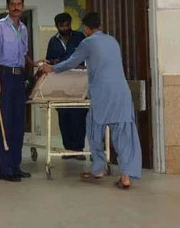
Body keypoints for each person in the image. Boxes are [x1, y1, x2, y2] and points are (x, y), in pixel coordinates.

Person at [39, 12, 141, 190]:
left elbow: (71, 62)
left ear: (86, 28)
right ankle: (126, 176)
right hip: (122, 92)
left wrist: (51, 68)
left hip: (102, 92)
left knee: (94, 129)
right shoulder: (112, 40)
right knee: (124, 133)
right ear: (99, 25)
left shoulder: (87, 42)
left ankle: (98, 169)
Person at [0, 0, 34, 182]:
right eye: (12, 5)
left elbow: (24, 55)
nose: (16, 7)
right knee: (3, 124)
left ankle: (16, 166)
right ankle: (5, 169)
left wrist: (35, 65)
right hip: (5, 76)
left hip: (19, 79)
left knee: (18, 124)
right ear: (7, 7)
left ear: (23, 7)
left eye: (19, 4)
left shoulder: (23, 28)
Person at [45, 12, 88, 160]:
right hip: (60, 83)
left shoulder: (79, 37)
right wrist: (54, 62)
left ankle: (78, 149)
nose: (64, 28)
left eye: (67, 25)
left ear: (71, 24)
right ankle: (68, 149)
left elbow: (85, 57)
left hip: (78, 82)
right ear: (57, 26)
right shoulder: (53, 41)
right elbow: (48, 60)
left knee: (79, 116)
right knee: (64, 116)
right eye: (61, 26)